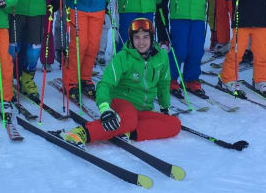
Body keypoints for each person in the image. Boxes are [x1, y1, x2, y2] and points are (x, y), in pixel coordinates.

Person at [61, 18, 180, 146]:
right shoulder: (123, 58)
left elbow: (163, 84)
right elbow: (105, 83)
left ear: (152, 38)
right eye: (137, 38)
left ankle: (127, 131)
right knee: (129, 119)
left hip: (144, 108)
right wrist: (104, 108)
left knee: (174, 124)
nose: (141, 42)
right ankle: (82, 133)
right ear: (131, 39)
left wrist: (165, 107)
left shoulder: (161, 57)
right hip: (121, 102)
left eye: (145, 37)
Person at [158, 0, 225, 96]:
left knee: (196, 51)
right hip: (179, 16)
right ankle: (171, 79)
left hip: (198, 18)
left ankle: (191, 80)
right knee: (179, 50)